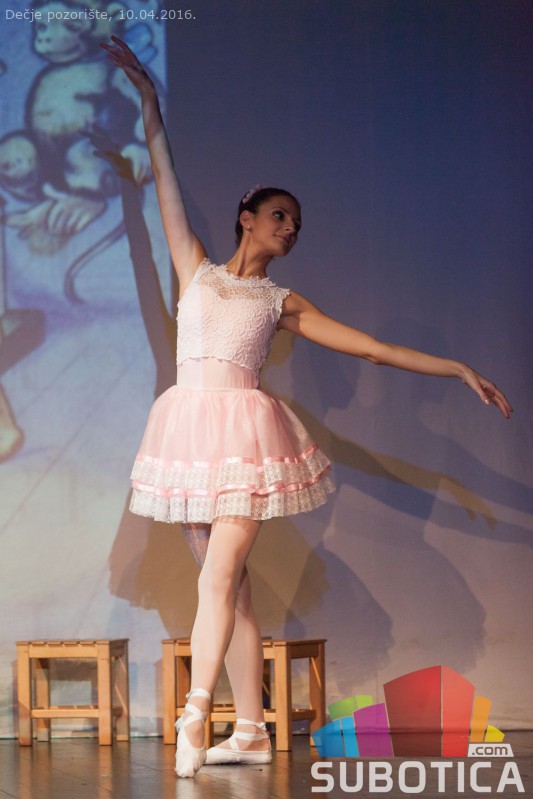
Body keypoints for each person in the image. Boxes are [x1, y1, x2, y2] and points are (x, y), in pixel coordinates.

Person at [100, 36, 512, 779]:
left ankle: (196, 710)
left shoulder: (280, 301)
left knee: (219, 574)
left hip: (244, 437)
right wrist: (150, 102)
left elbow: (373, 349)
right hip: (188, 432)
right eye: (280, 216)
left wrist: (456, 367)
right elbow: (164, 178)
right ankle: (250, 730)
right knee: (233, 588)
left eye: (296, 224)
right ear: (246, 217)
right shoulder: (195, 269)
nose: (290, 229)